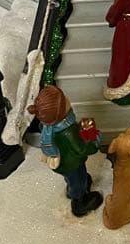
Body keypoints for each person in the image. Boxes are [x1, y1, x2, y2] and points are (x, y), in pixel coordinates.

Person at [28, 85, 103, 218]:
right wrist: (94, 141)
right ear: (60, 112)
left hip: (63, 162)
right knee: (78, 180)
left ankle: (73, 188)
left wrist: (79, 128)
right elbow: (81, 149)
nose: (68, 99)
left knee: (73, 178)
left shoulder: (48, 124)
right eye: (65, 100)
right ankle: (79, 203)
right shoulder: (68, 132)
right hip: (72, 163)